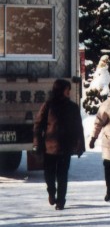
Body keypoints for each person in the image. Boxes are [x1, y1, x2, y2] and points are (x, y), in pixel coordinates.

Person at [33, 78, 85, 210]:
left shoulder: (73, 107)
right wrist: (37, 143)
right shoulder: (48, 105)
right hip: (49, 148)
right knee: (49, 174)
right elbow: (38, 126)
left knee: (62, 175)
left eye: (69, 90)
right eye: (67, 89)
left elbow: (78, 128)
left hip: (65, 147)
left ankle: (61, 200)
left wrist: (80, 145)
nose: (69, 92)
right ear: (60, 90)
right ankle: (51, 192)